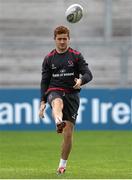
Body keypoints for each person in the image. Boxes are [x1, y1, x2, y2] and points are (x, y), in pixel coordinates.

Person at [39, 25, 93, 174]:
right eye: (59, 39)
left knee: (68, 134)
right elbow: (44, 81)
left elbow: (88, 74)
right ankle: (58, 121)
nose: (62, 42)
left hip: (72, 95)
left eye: (65, 39)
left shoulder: (76, 56)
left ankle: (62, 166)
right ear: (54, 40)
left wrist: (81, 81)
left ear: (69, 39)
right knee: (57, 102)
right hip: (54, 90)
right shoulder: (49, 59)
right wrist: (43, 102)